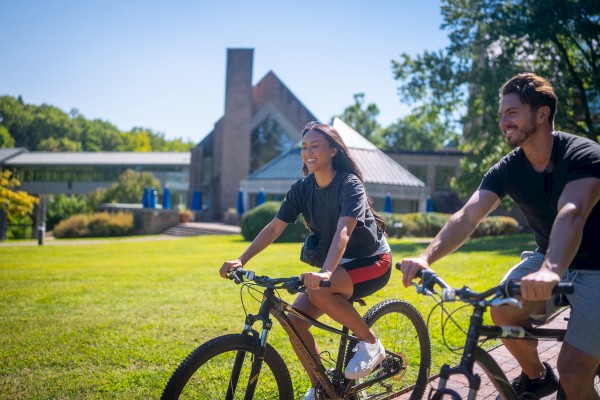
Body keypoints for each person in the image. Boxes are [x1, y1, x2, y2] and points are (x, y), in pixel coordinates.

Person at [400, 73, 600, 400]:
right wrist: (425, 257)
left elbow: (572, 212)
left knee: (575, 372)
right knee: (503, 310)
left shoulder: (583, 156)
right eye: (501, 115)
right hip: (548, 259)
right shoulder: (508, 168)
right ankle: (537, 378)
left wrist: (550, 269)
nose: (503, 121)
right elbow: (467, 216)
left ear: (541, 114)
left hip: (596, 268)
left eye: (512, 112)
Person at [219, 121, 392, 400]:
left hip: (372, 261)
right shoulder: (302, 188)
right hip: (339, 264)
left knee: (318, 288)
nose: (308, 152)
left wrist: (325, 273)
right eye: (304, 147)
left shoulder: (350, 185)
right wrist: (241, 258)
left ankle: (371, 343)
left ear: (334, 150)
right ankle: (324, 388)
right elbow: (275, 227)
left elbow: (343, 231)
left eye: (316, 146)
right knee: (296, 323)